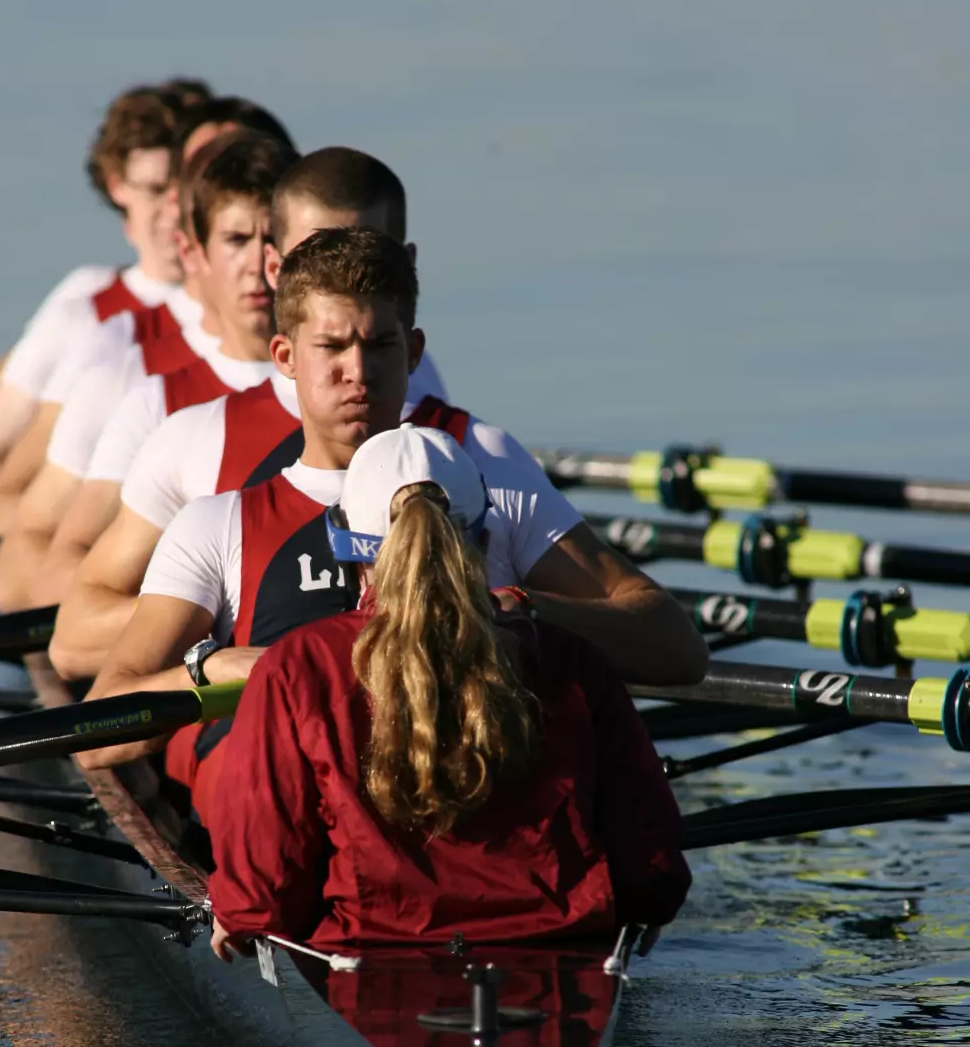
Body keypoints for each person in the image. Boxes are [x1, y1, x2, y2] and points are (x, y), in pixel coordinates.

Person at [77, 229, 707, 809]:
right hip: (309, 845)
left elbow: (677, 648)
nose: (357, 371)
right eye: (331, 347)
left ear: (412, 351)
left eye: (380, 345)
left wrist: (521, 613)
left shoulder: (493, 495)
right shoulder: (218, 527)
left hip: (483, 827)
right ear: (285, 356)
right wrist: (213, 667)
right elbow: (97, 734)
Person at [206, 427, 692, 952]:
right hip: (557, 954)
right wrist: (646, 904)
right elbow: (653, 870)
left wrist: (239, 916)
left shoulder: (299, 666)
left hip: (368, 955)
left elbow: (261, 893)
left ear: (344, 548)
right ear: (483, 541)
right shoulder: (571, 659)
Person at [46, 147, 447, 672]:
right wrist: (217, 620)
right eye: (319, 254)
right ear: (279, 265)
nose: (345, 274)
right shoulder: (188, 430)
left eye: (368, 252)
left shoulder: (456, 435)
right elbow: (72, 643)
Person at [0, 130, 297, 609]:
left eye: (275, 241)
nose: (260, 264)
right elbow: (45, 570)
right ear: (194, 253)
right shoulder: (141, 385)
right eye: (237, 239)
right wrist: (192, 613)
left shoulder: (377, 368)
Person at [0, 78, 210, 522]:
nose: (176, 211)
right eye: (157, 190)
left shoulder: (263, 303)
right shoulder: (91, 304)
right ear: (118, 187)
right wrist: (57, 534)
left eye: (186, 190)